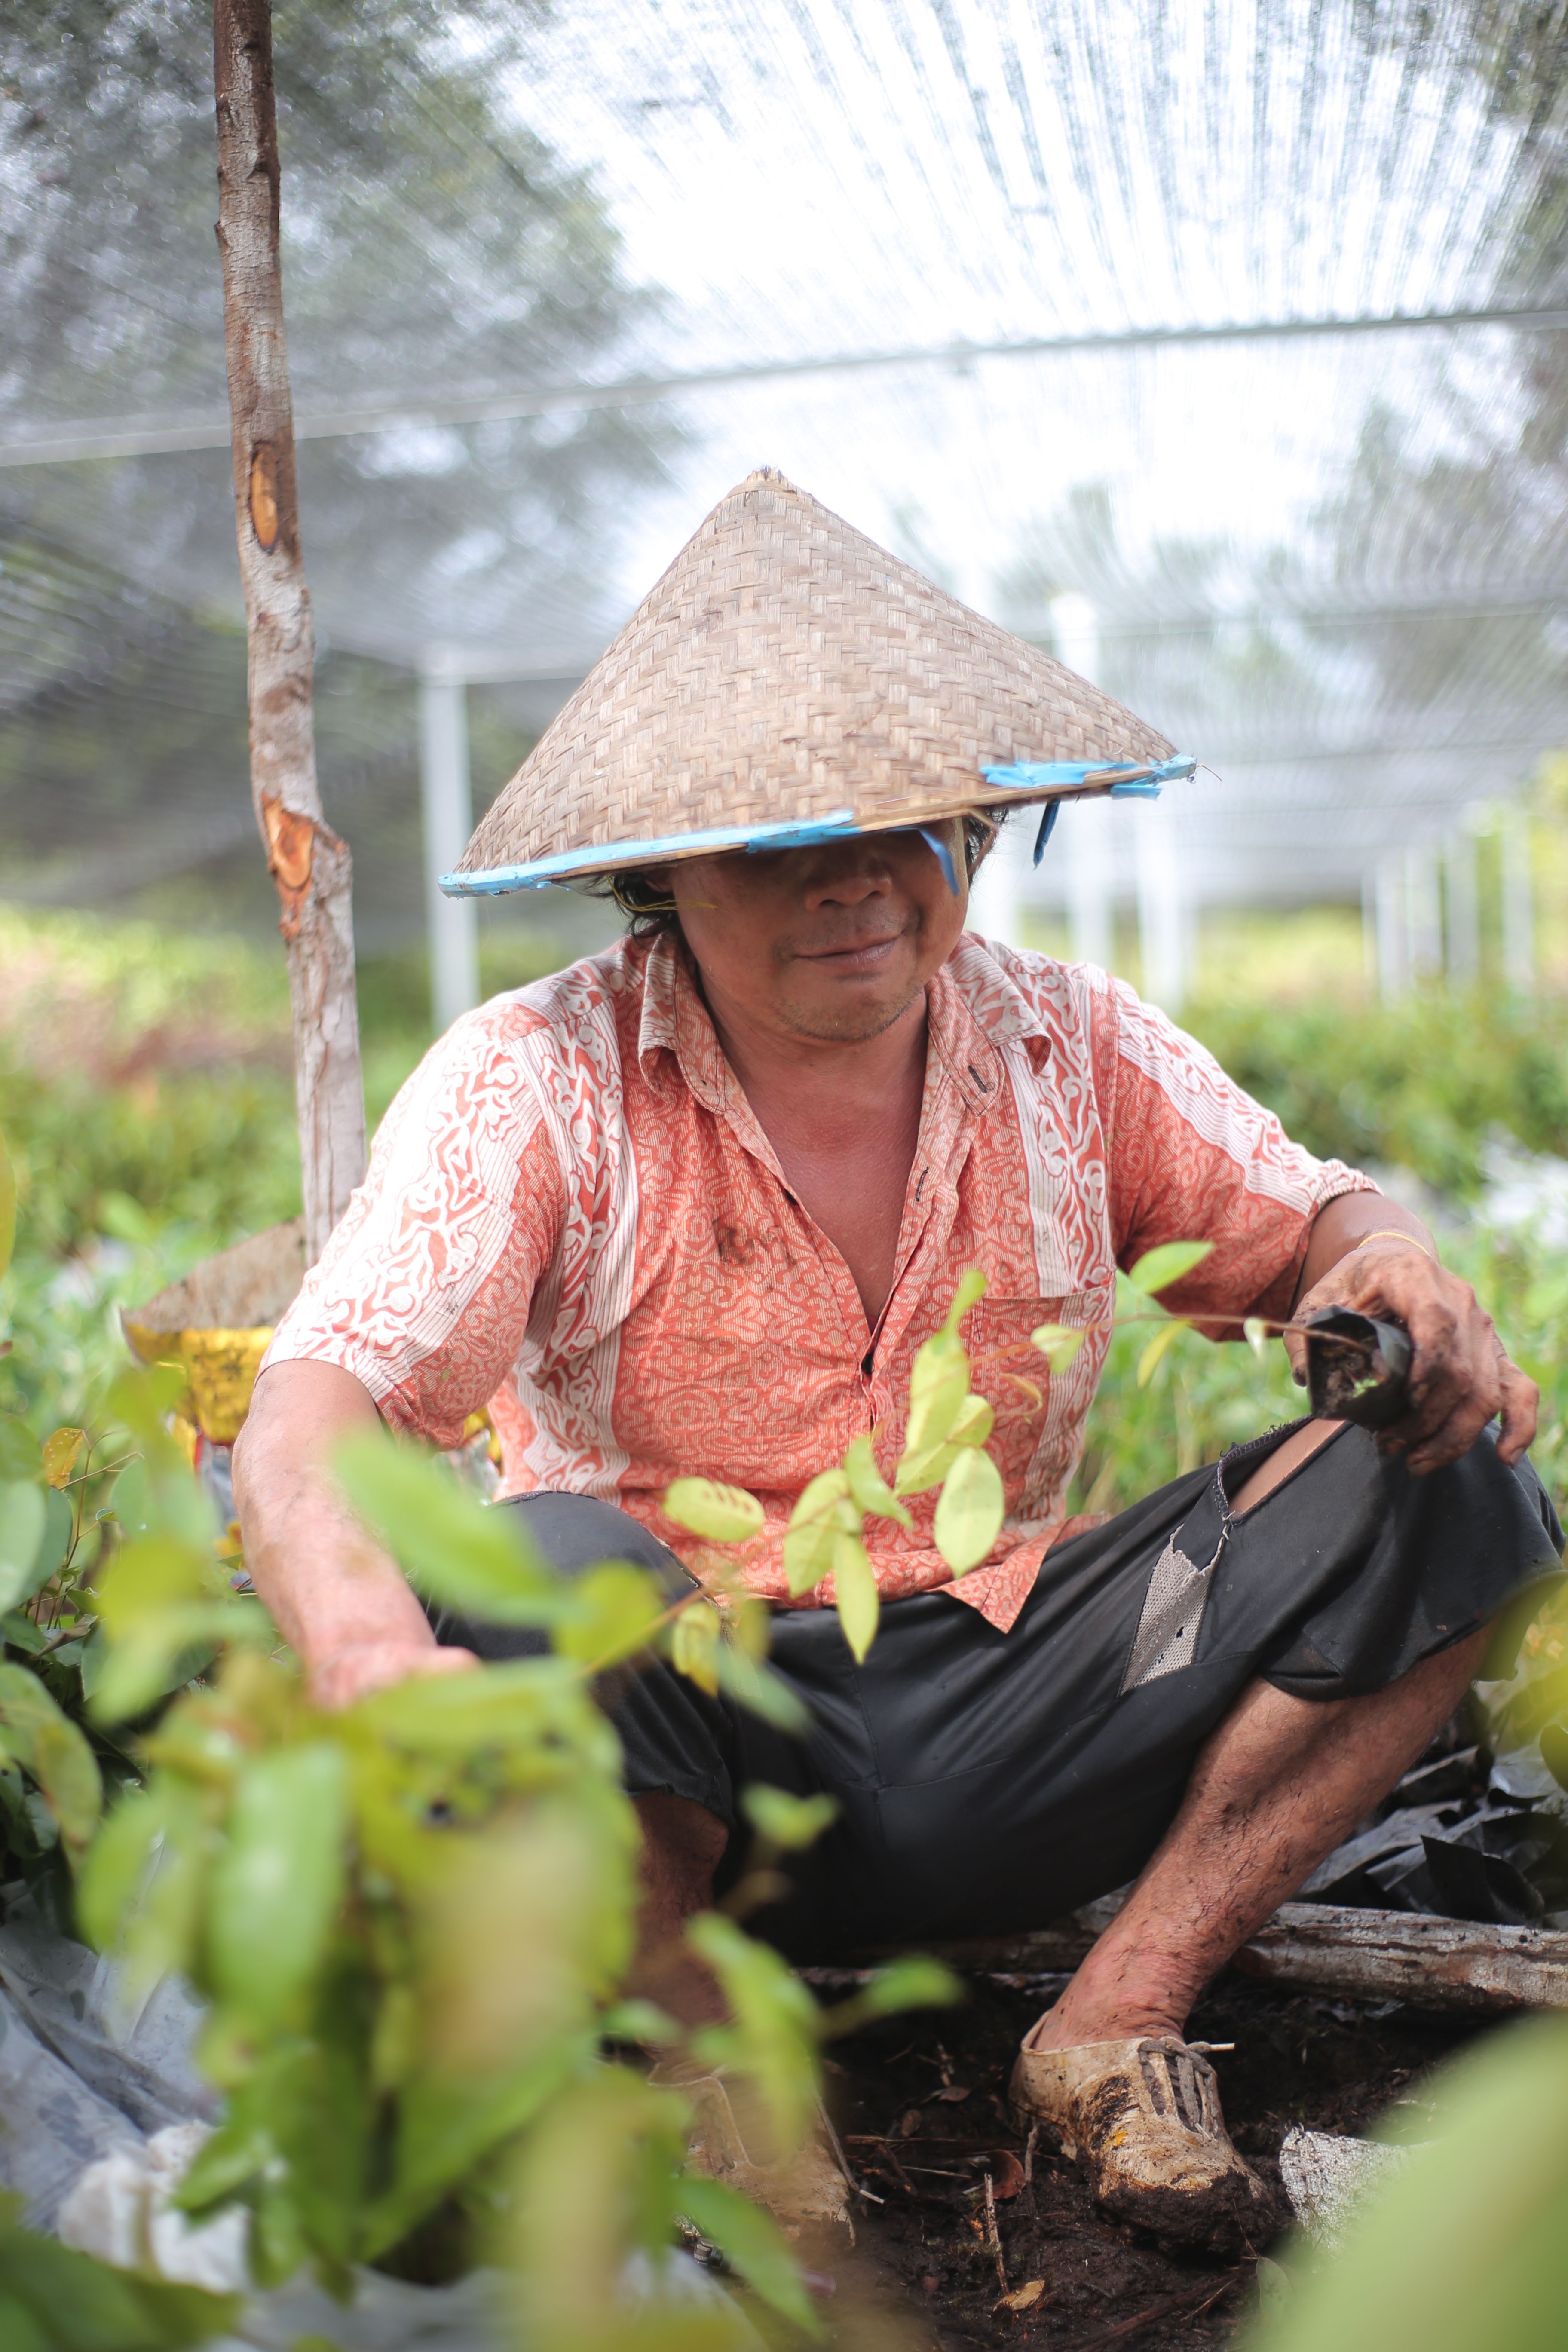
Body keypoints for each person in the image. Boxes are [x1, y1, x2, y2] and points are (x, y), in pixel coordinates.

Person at [233, 472, 1561, 2251]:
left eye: (913, 826)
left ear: (978, 836)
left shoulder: (1064, 1044)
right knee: (547, 1567)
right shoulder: (541, 1079)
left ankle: (1114, 2020)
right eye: (777, 843)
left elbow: (1309, 1226)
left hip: (1000, 1705)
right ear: (662, 876)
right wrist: (362, 1640)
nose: (857, 882)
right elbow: (318, 1402)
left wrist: (1384, 1257)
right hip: (673, 1736)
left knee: (1446, 1466)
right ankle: (708, 2071)